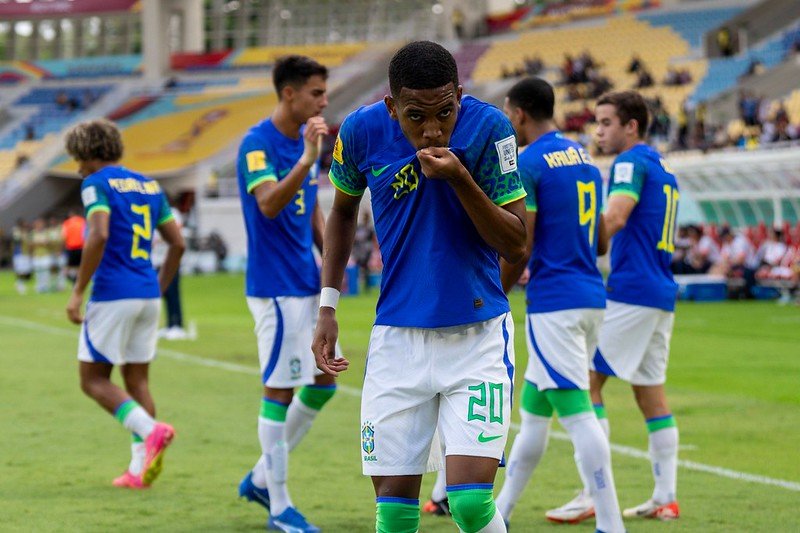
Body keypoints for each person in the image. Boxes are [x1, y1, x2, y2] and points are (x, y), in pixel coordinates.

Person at [313, 41, 527, 533]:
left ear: (459, 94)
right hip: (397, 342)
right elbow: (342, 212)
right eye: (415, 116)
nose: (433, 128)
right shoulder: (361, 131)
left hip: (476, 339)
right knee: (393, 511)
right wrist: (328, 306)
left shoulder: (490, 128)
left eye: (445, 112)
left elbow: (517, 244)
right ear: (391, 107)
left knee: (471, 505)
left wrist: (460, 179)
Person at [493, 77, 624, 532]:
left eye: (508, 112)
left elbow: (520, 244)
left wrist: (496, 293)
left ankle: (610, 523)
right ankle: (502, 512)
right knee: (533, 416)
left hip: (555, 303)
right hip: (591, 296)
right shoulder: (586, 159)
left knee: (578, 412)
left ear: (519, 114)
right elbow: (603, 241)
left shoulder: (528, 162)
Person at [552, 90, 682, 521]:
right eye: (597, 122)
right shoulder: (663, 167)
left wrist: (574, 247)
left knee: (585, 382)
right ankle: (665, 497)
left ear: (631, 126)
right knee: (651, 396)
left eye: (606, 122)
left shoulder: (629, 162)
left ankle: (593, 492)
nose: (598, 130)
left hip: (632, 290)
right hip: (660, 291)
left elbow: (617, 216)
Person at [235, 55, 339, 533]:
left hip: (303, 282)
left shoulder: (305, 141)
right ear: (289, 93)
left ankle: (260, 476)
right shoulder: (257, 144)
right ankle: (278, 506)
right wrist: (306, 160)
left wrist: (330, 271)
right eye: (316, 92)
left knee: (323, 383)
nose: (323, 100)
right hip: (274, 290)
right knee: (278, 390)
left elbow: (309, 211)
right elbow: (271, 204)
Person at [64, 118, 185, 489]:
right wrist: (159, 286)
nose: (77, 166)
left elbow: (98, 233)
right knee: (137, 380)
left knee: (93, 379)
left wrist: (77, 290)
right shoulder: (150, 185)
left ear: (89, 153)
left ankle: (151, 432)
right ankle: (138, 471)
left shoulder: (95, 184)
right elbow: (177, 243)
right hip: (148, 293)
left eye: (78, 158)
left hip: (113, 293)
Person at [62, 210, 86, 284]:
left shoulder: (67, 223)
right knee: (79, 266)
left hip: (71, 248)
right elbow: (86, 233)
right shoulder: (82, 221)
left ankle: (71, 279)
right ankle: (77, 280)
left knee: (69, 266)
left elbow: (64, 236)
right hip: (81, 247)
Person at [12, 219, 32, 294]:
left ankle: (20, 283)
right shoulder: (17, 231)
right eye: (24, 223)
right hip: (19, 254)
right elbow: (17, 240)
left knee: (26, 271)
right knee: (20, 270)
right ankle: (19, 283)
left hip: (26, 253)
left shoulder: (27, 232)